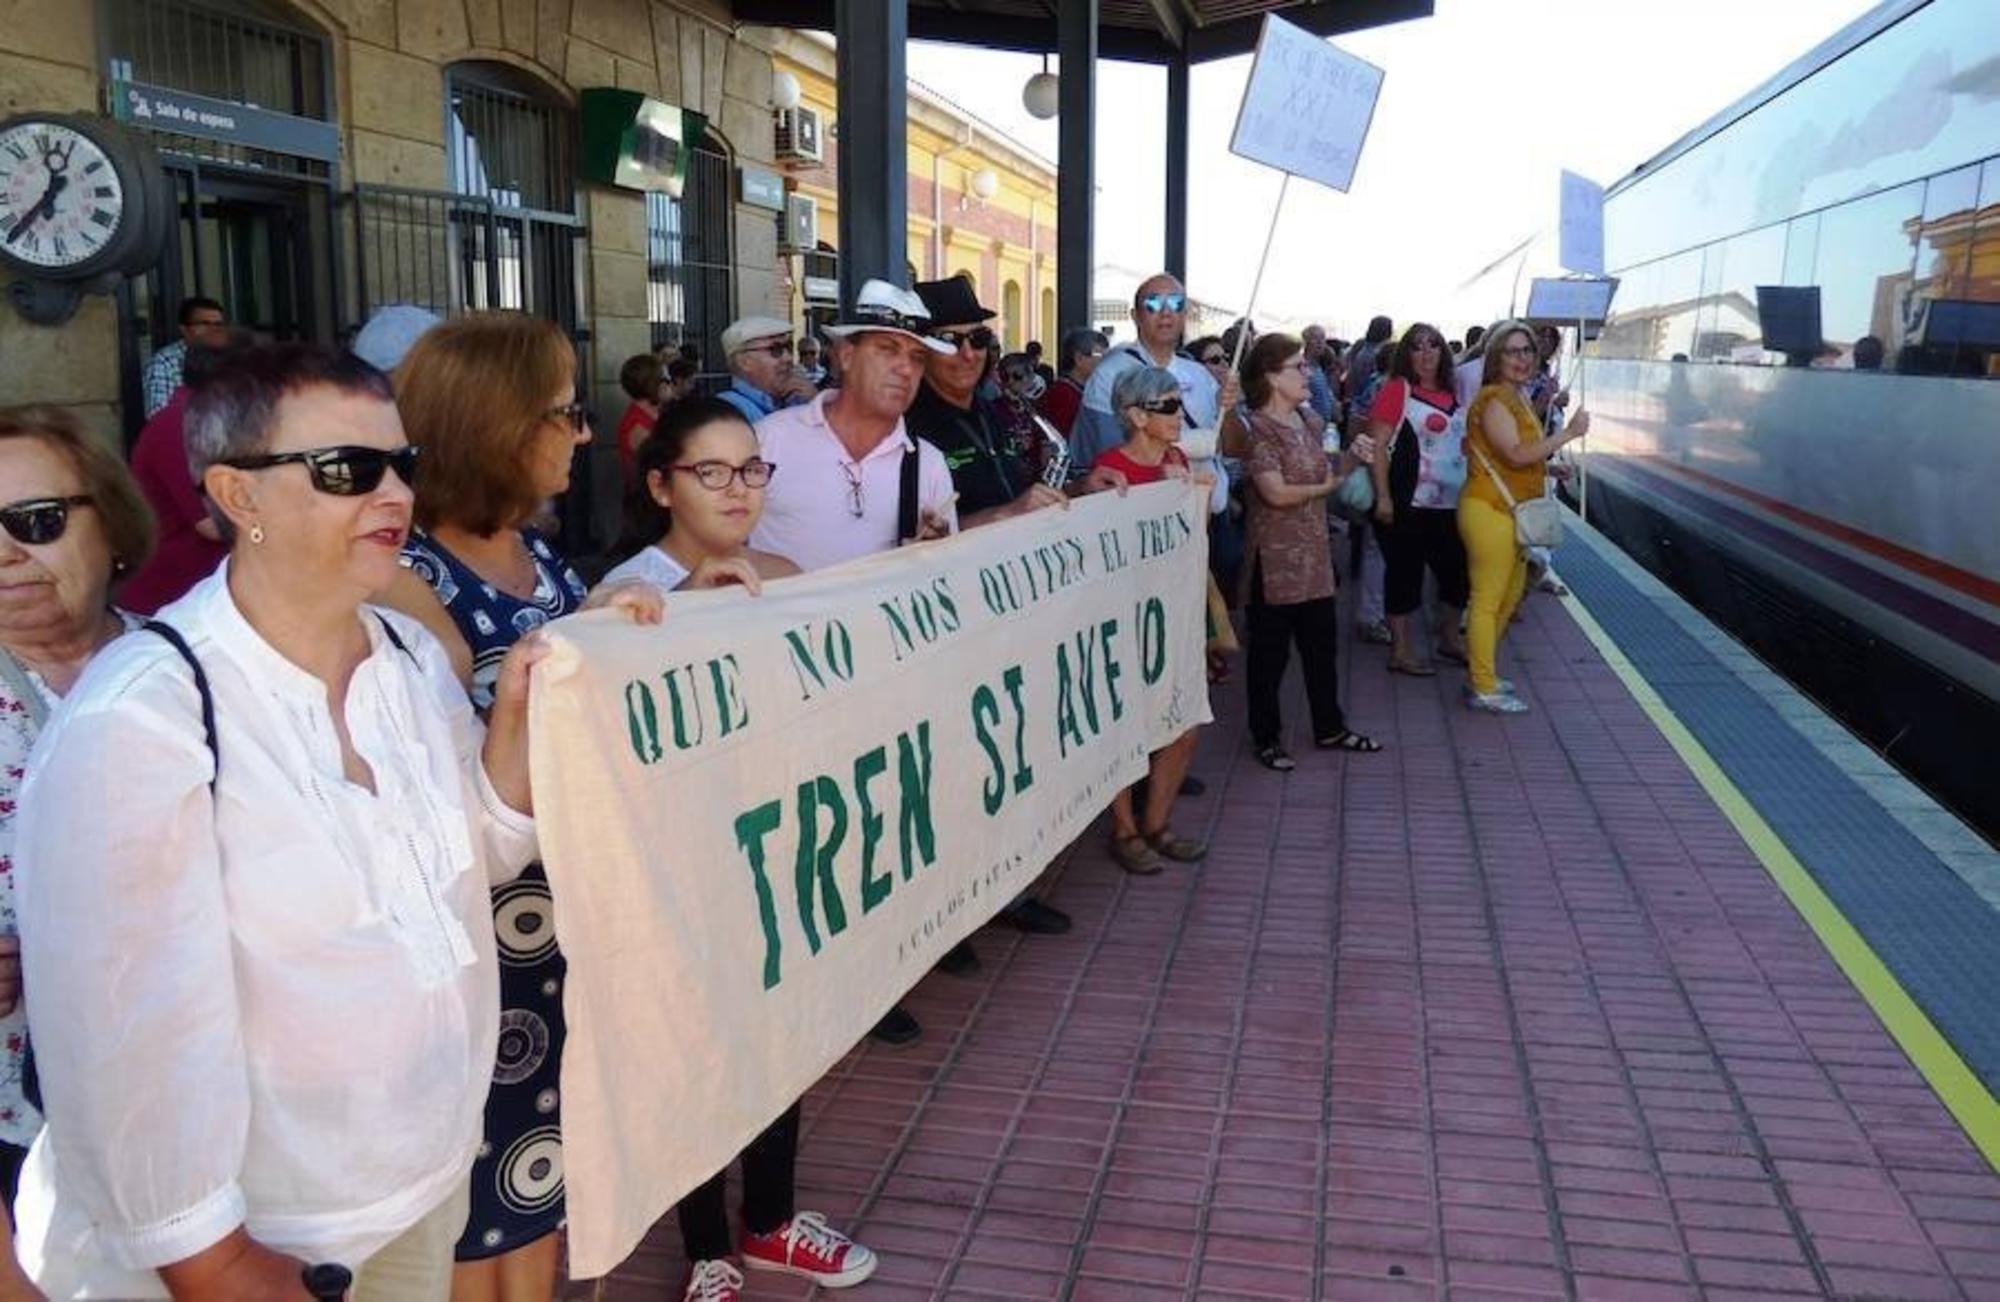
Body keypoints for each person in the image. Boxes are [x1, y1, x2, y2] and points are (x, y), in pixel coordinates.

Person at [13, 344, 548, 1299]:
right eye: (348, 469)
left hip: (418, 1182)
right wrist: (213, 1262)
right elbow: (120, 1040)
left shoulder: (408, 658)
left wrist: (525, 707)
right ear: (238, 495)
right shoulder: (144, 718)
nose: (394, 495)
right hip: (257, 1238)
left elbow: (481, 855)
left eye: (402, 464)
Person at [603, 402, 876, 1302]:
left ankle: (770, 1222)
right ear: (661, 485)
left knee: (776, 1043)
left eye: (752, 469)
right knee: (695, 1051)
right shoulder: (627, 593)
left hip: (778, 852)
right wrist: (680, 607)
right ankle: (705, 1250)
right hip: (682, 872)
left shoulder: (783, 576)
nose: (738, 489)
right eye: (710, 472)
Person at [374, 312, 608, 1302]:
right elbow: (437, 768)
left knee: (540, 1180)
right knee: (476, 1202)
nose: (582, 433)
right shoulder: (405, 578)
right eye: (564, 412)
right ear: (496, 426)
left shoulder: (538, 555)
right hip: (484, 934)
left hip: (561, 927)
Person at [751, 279, 957, 1046]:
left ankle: (870, 982)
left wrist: (932, 556)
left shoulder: (924, 463)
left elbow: (945, 576)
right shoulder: (772, 441)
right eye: (888, 350)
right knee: (794, 840)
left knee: (874, 828)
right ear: (843, 355)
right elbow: (714, 538)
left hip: (876, 682)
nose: (905, 369)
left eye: (916, 357)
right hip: (778, 681)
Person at [0, 407, 156, 1213]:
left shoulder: (194, 667)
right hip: (21, 1120)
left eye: (35, 520)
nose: (6, 552)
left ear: (113, 525)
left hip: (190, 1089)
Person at [1082, 365, 1212, 876]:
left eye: (1181, 404)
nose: (1181, 416)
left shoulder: (1176, 460)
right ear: (1136, 416)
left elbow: (1193, 533)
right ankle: (1125, 830)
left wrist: (1189, 495)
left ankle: (1157, 823)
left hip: (1172, 609)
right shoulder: (1110, 469)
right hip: (1124, 614)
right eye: (1169, 406)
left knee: (1184, 721)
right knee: (1125, 727)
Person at [1236, 334, 1382, 772]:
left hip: (1314, 555)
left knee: (1321, 649)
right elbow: (1275, 493)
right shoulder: (1257, 430)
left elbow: (1329, 470)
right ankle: (1266, 737)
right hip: (1274, 562)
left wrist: (1353, 458)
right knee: (1269, 656)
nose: (1307, 373)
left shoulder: (1310, 420)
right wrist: (1329, 486)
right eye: (1297, 367)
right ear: (1270, 377)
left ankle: (1330, 726)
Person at [1460, 322, 1589, 714]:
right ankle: (1482, 686)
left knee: (1510, 595)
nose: (1522, 358)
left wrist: (1548, 469)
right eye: (1512, 351)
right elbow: (1516, 454)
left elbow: (1512, 455)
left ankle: (1482, 673)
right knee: (1488, 600)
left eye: (1527, 350)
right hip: (1490, 511)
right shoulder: (1495, 400)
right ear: (1496, 357)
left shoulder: (1515, 397)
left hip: (1510, 510)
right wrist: (1568, 435)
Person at [906, 279, 1070, 528]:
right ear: (921, 350)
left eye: (979, 338)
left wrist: (1080, 489)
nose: (968, 354)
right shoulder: (905, 425)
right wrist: (1004, 514)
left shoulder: (989, 410)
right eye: (949, 340)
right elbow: (909, 534)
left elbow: (1018, 495)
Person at [1364, 324, 1470, 674]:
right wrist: (1383, 497)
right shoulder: (1398, 390)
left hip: (1453, 505)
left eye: (1433, 345)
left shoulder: (1454, 392)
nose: (1426, 354)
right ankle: (1401, 650)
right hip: (1408, 502)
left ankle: (1449, 638)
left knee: (1458, 574)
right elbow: (1377, 446)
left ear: (1443, 352)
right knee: (1404, 575)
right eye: (1417, 347)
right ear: (1406, 354)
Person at [122, 332, 251, 613]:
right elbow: (212, 525)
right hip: (170, 600)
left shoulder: (212, 421)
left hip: (206, 594)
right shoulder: (177, 425)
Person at [1072, 274, 1233, 471]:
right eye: (1153, 304)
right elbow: (1105, 458)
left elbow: (1231, 448)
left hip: (1210, 490)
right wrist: (1191, 445)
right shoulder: (1108, 376)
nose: (1165, 312)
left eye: (1175, 303)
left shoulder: (1201, 375)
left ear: (1184, 313)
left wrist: (1228, 409)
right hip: (1148, 490)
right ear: (1135, 316)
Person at [715, 317, 817, 425]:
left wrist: (817, 403)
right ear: (744, 362)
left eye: (789, 347)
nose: (788, 358)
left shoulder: (797, 399)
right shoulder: (727, 411)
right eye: (775, 350)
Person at [141, 296, 227, 418]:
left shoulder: (228, 358)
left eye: (218, 324)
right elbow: (158, 417)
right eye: (205, 324)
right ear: (184, 329)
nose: (213, 330)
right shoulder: (164, 363)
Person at [1039, 327, 1106, 437]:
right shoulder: (1061, 394)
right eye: (1100, 356)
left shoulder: (1088, 389)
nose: (1105, 361)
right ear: (1079, 358)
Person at [616, 352, 667, 478]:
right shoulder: (637, 425)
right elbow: (661, 464)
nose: (667, 383)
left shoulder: (656, 412)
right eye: (663, 379)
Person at [1301, 325, 1337, 422]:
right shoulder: (1301, 367)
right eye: (1315, 338)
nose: (1320, 342)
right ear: (1306, 342)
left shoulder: (1319, 367)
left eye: (1322, 338)